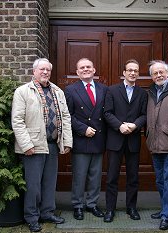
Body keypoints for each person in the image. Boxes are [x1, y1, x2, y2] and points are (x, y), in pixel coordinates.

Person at [12, 58, 73, 232]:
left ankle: (47, 212)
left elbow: (66, 117)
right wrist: (26, 145)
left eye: (48, 70)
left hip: (53, 144)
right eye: (42, 70)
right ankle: (31, 217)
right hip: (33, 146)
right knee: (33, 185)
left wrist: (66, 141)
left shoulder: (57, 91)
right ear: (34, 72)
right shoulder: (23, 91)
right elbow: (17, 120)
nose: (45, 72)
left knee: (49, 182)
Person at [103, 59, 147, 223]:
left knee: (133, 177)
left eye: (136, 70)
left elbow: (144, 115)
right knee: (112, 177)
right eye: (130, 70)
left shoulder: (142, 93)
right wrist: (119, 126)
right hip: (115, 139)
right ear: (124, 72)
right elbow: (107, 113)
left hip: (133, 140)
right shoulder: (112, 90)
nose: (133, 73)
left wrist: (135, 125)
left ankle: (131, 207)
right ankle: (110, 209)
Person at [64, 58, 108, 220]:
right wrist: (83, 129)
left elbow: (107, 113)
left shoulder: (104, 89)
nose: (85, 69)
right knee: (80, 175)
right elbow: (67, 115)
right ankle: (77, 205)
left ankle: (92, 204)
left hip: (98, 137)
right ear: (77, 72)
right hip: (81, 138)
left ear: (94, 70)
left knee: (95, 175)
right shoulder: (70, 90)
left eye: (88, 67)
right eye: (82, 67)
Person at [146, 60, 168, 230]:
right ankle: (166, 209)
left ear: (167, 72)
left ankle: (167, 215)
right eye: (155, 73)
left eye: (161, 72)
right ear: (151, 76)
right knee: (160, 180)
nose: (159, 75)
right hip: (154, 144)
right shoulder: (151, 92)